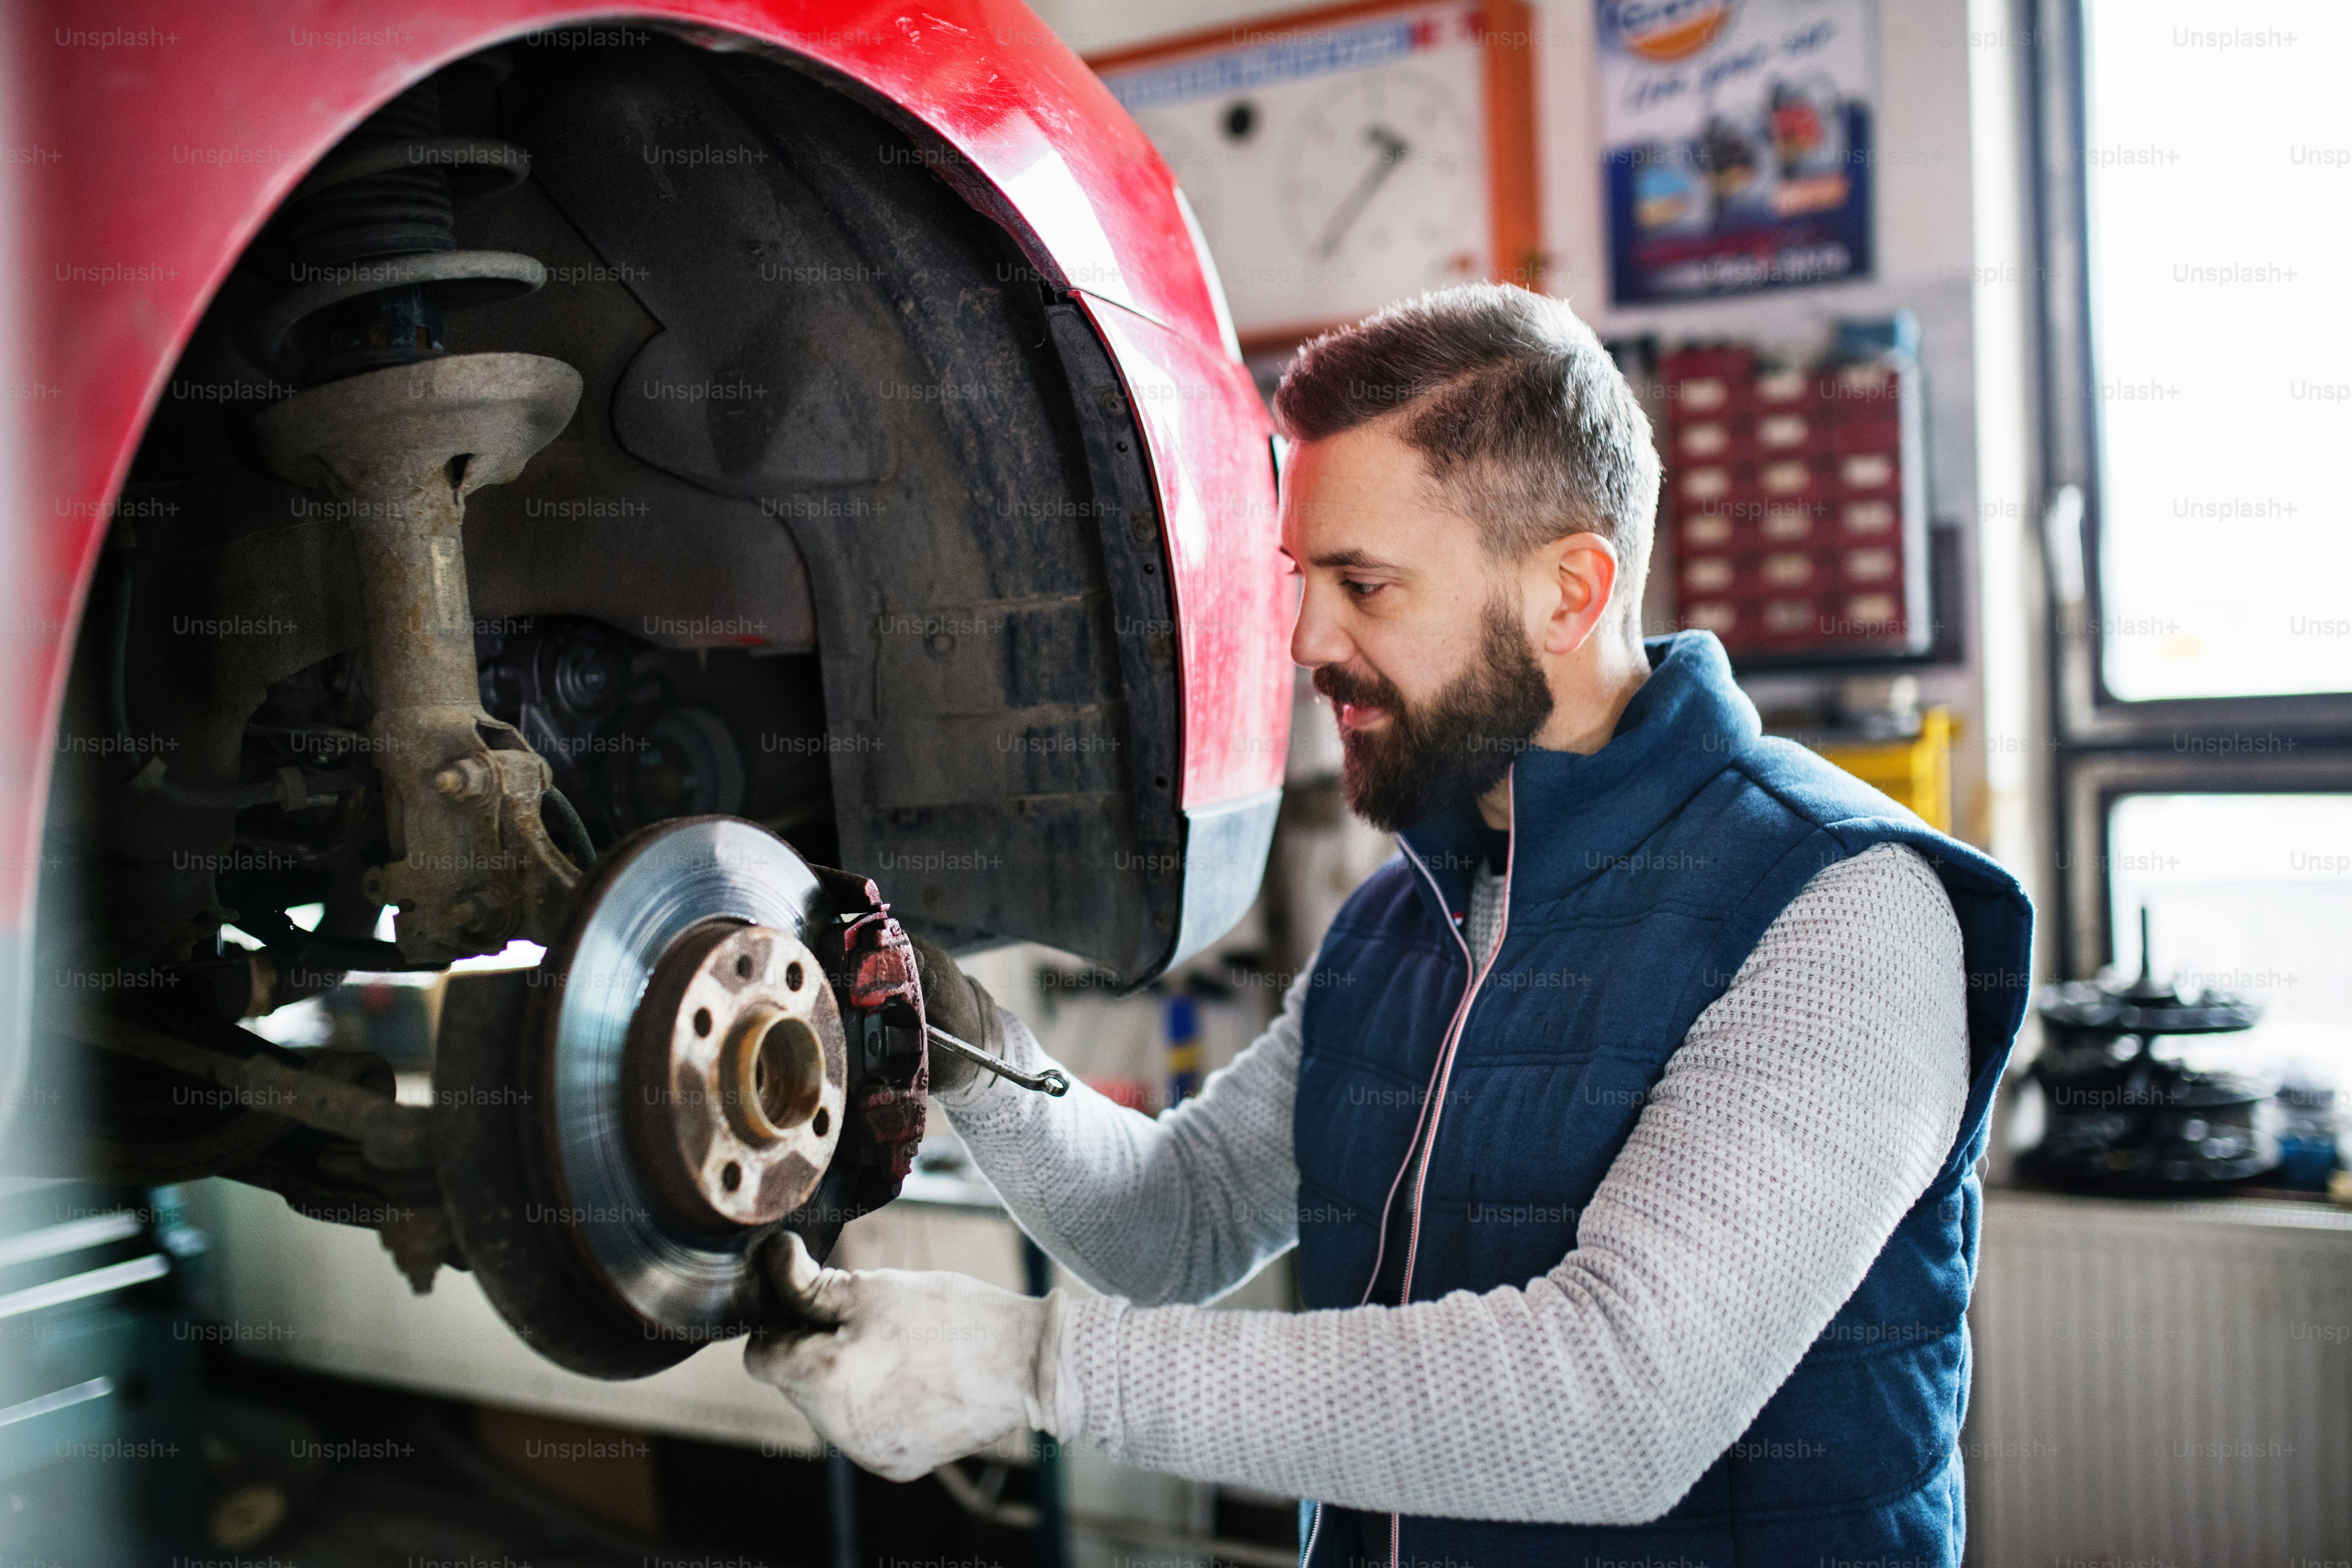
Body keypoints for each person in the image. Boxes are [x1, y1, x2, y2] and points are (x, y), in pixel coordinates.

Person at [746, 283, 2032, 1566]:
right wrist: (959, 1035)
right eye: (1304, 579)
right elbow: (1177, 1224)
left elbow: (1619, 1405)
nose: (1308, 638)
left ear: (1571, 593)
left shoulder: (1841, 911)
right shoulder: (1407, 920)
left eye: (1365, 584)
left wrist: (1033, 1364)